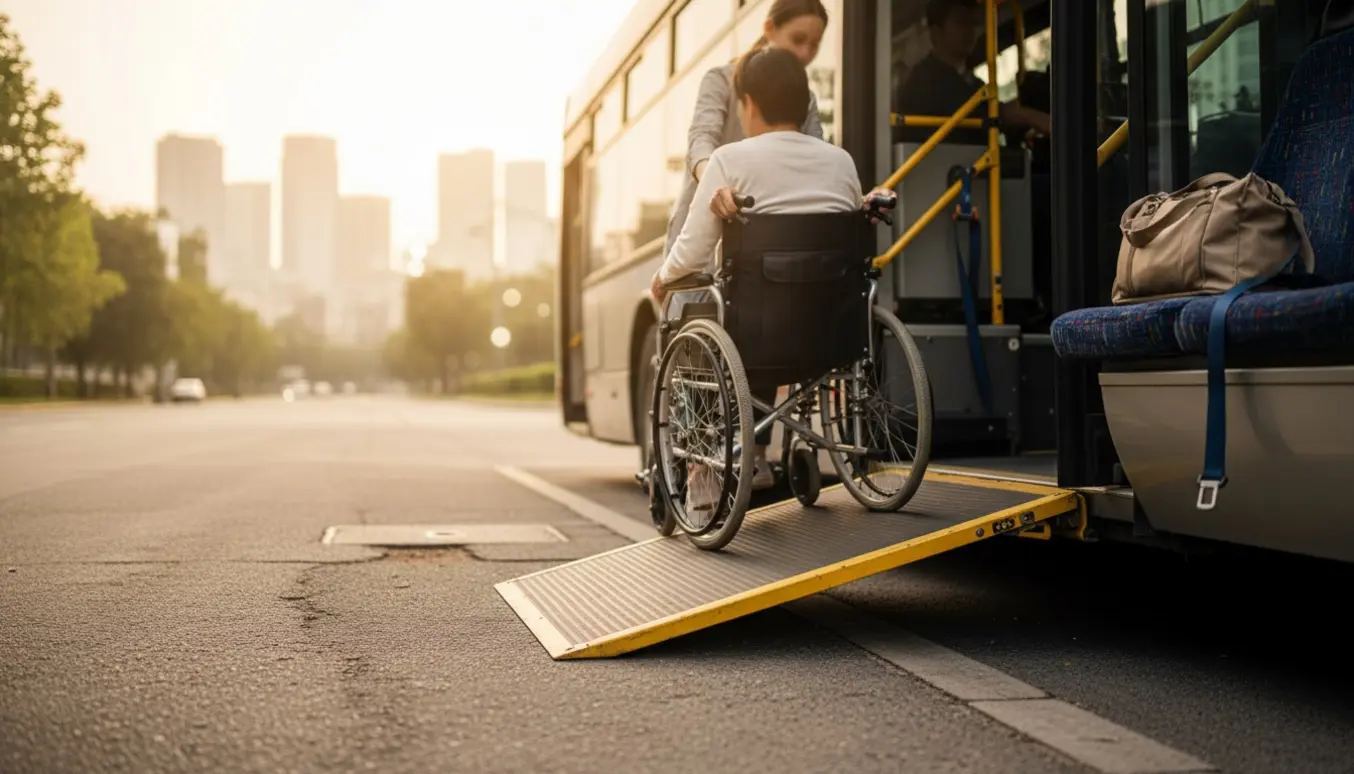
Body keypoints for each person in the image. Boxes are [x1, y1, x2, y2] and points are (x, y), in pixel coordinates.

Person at [650, 45, 864, 509]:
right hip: (831, 337)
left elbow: (694, 249)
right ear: (805, 101)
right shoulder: (841, 162)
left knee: (690, 320)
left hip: (756, 335)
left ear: (747, 103)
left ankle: (703, 481)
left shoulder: (731, 161)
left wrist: (664, 277)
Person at [664, 0, 831, 263]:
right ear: (769, 29)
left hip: (766, 250)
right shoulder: (720, 80)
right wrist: (716, 187)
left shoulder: (806, 99)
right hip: (702, 244)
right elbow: (702, 139)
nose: (805, 54)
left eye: (814, 44)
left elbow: (819, 161)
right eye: (798, 39)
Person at [896, 0, 1051, 143]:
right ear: (936, 33)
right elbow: (978, 111)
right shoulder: (924, 80)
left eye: (973, 23)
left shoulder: (973, 82)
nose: (969, 30)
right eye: (960, 22)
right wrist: (1030, 116)